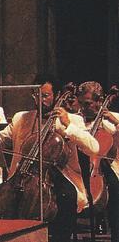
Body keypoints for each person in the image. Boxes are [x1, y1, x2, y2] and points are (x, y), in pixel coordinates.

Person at [0, 76, 99, 242]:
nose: (39, 100)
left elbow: (94, 147)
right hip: (21, 179)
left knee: (67, 196)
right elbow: (0, 139)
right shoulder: (21, 118)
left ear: (57, 95)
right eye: (36, 95)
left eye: (44, 95)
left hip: (58, 178)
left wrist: (67, 126)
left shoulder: (72, 120)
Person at [77, 81, 119, 242]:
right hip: (78, 168)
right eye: (80, 103)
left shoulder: (111, 122)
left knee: (115, 189)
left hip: (104, 168)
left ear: (99, 102)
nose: (83, 108)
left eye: (87, 104)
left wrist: (114, 123)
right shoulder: (77, 120)